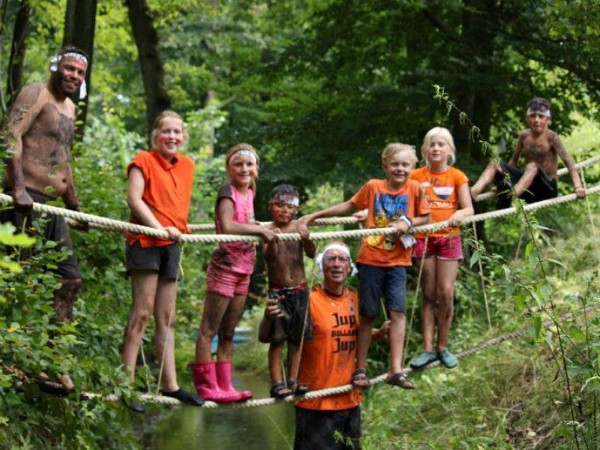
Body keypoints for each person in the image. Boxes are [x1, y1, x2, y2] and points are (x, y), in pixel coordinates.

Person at [302, 143, 430, 390]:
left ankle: (395, 369)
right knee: (369, 314)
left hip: (398, 262)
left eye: (405, 165)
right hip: (371, 259)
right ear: (385, 166)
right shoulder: (373, 187)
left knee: (398, 313)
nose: (400, 169)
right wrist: (314, 216)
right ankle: (359, 369)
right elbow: (349, 206)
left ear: (413, 168)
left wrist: (408, 222)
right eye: (395, 164)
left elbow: (426, 217)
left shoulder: (415, 188)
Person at [1, 46, 90, 396]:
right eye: (69, 69)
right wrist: (18, 189)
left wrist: (75, 206)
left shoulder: (69, 107)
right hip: (24, 201)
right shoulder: (35, 93)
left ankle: (53, 363)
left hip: (53, 209)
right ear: (56, 67)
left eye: (80, 73)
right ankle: (11, 361)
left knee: (69, 280)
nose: (74, 76)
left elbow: (62, 160)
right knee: (14, 279)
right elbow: (11, 136)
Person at [260, 241, 389, 449]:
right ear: (322, 265)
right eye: (331, 259)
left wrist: (379, 334)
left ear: (349, 267)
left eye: (342, 259)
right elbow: (268, 336)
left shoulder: (355, 298)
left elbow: (350, 333)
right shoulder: (308, 299)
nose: (337, 264)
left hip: (350, 400)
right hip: (315, 404)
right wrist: (268, 317)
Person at [120, 111, 203, 413]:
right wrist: (158, 228)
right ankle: (124, 385)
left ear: (183, 137)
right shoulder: (143, 160)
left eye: (176, 132)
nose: (171, 137)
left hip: (172, 242)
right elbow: (134, 199)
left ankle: (171, 385)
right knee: (142, 312)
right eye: (165, 132)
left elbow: (174, 204)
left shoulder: (188, 166)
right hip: (146, 241)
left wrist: (178, 228)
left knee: (166, 317)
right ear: (156, 135)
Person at [191, 143, 278, 403]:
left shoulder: (250, 192)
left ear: (256, 169)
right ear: (229, 168)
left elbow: (247, 223)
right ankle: (206, 386)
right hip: (226, 267)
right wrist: (259, 230)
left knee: (228, 332)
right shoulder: (226, 191)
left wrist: (261, 229)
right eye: (238, 164)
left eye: (249, 164)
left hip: (245, 269)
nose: (244, 169)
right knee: (210, 329)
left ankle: (226, 386)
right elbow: (227, 226)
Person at [408, 127, 473, 370]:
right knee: (428, 292)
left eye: (441, 144)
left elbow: (469, 209)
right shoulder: (415, 176)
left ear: (449, 150)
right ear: (425, 149)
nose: (436, 148)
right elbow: (403, 203)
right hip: (423, 239)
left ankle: (443, 346)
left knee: (446, 292)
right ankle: (427, 349)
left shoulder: (457, 176)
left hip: (448, 237)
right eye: (432, 144)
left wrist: (458, 214)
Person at [470, 97, 586, 208]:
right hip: (527, 188)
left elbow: (569, 162)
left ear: (548, 119)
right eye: (533, 116)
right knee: (495, 162)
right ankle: (471, 194)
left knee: (532, 166)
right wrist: (507, 181)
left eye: (541, 116)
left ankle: (509, 197)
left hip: (546, 188)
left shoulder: (552, 137)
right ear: (527, 118)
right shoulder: (524, 136)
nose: (536, 120)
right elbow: (514, 160)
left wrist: (578, 187)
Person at [257, 184, 316, 399]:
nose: (284, 210)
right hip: (278, 293)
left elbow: (311, 253)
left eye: (289, 206)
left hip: (300, 290)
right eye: (279, 205)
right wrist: (272, 241)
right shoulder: (267, 229)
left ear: (296, 209)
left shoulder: (298, 228)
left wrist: (306, 237)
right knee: (277, 339)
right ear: (270, 206)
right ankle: (276, 383)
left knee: (296, 339)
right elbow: (268, 258)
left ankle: (293, 380)